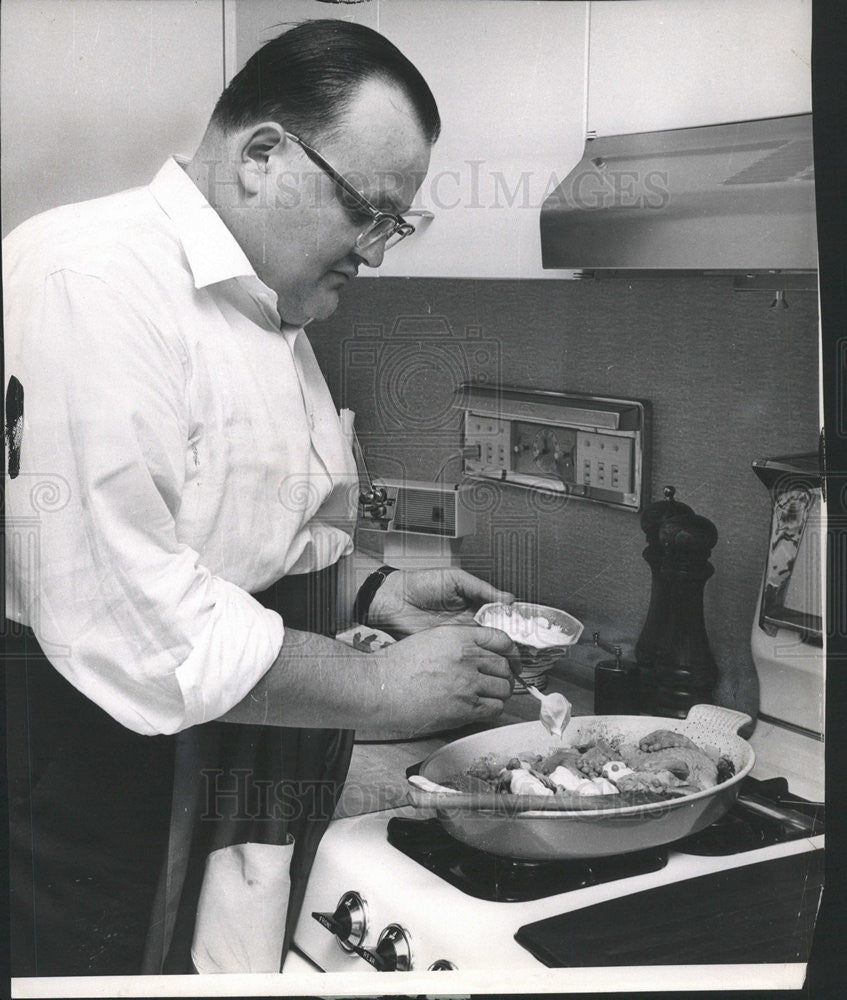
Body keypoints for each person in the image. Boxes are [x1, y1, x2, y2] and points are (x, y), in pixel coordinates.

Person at [3, 19, 517, 977]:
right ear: (264, 155)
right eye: (369, 210)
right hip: (93, 770)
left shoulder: (267, 303)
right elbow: (128, 617)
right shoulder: (92, 277)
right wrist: (379, 684)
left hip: (230, 754)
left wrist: (369, 591)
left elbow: (249, 528)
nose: (375, 249)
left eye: (396, 224)